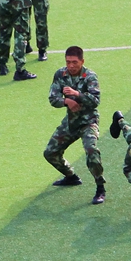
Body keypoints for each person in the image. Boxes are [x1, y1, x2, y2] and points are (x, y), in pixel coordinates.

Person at [45, 46, 109, 204]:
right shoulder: (60, 74)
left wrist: (77, 95)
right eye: (68, 62)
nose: (71, 66)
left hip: (88, 122)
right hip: (71, 122)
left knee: (91, 150)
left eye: (74, 62)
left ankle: (100, 187)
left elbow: (95, 101)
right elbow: (53, 98)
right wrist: (66, 101)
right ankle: (70, 176)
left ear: (82, 61)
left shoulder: (90, 76)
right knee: (50, 153)